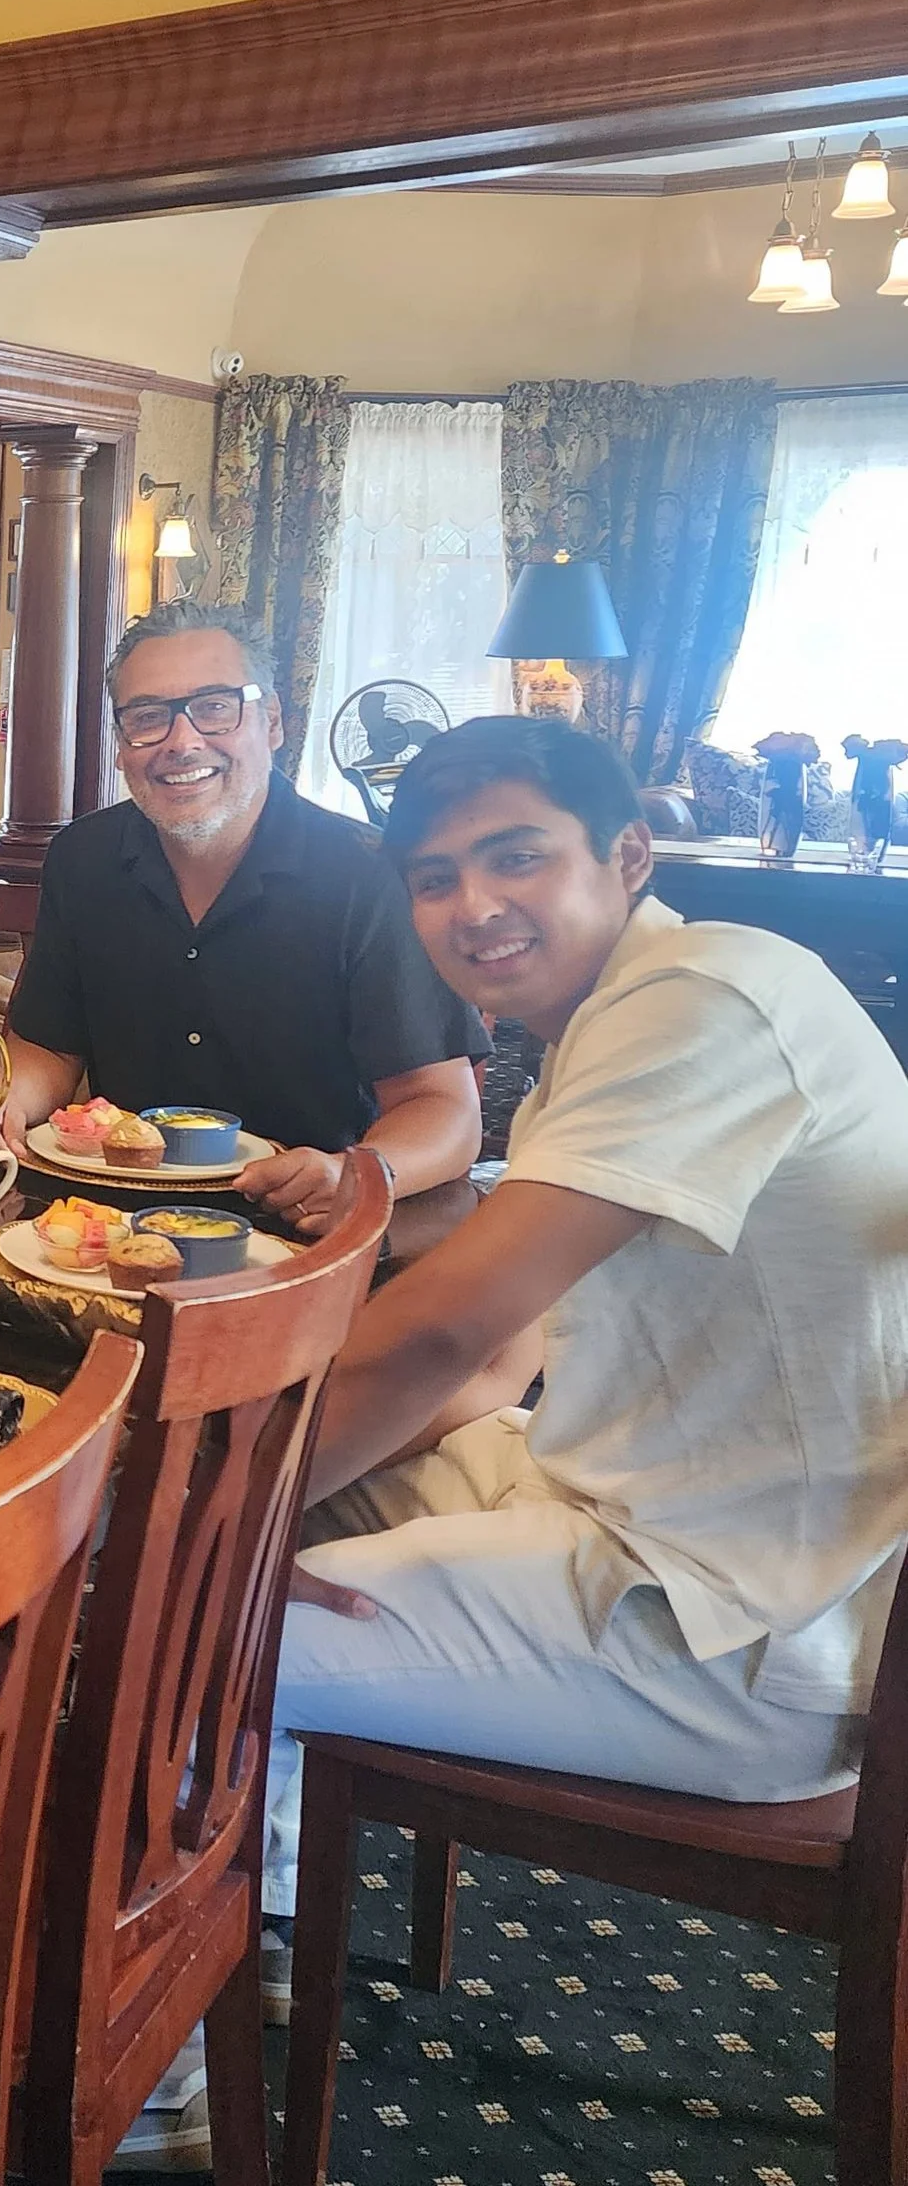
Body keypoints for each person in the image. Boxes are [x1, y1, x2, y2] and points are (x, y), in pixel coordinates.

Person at [266, 715, 908, 1929]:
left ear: (627, 855)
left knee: (190, 1641)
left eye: (516, 856)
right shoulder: (608, 1028)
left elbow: (442, 1334)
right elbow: (498, 1361)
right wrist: (246, 1500)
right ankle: (263, 1901)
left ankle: (180, 2020)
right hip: (629, 1506)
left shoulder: (703, 1000)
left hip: (745, 1622)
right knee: (260, 1532)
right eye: (434, 879)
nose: (473, 907)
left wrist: (203, 1526)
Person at [0, 603, 484, 1230]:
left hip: (303, 1230)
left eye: (215, 707)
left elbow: (442, 1107)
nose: (182, 742)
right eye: (148, 717)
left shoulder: (369, 874)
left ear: (271, 722)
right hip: (111, 1223)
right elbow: (48, 1047)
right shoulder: (84, 859)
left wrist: (355, 1172)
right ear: (122, 746)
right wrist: (1, 1101)